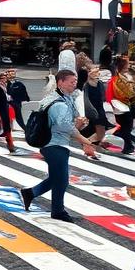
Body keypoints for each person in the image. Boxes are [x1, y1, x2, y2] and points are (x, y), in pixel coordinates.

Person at [19, 70, 97, 222]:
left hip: (53, 142)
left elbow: (67, 124)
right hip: (53, 144)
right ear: (60, 82)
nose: (74, 84)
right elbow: (65, 127)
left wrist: (78, 124)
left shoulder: (60, 97)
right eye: (71, 81)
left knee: (57, 178)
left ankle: (30, 194)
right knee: (61, 180)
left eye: (75, 81)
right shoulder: (59, 103)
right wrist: (85, 141)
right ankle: (57, 210)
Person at [107, 55, 135, 157]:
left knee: (127, 127)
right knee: (126, 127)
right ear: (123, 65)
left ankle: (119, 138)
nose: (130, 64)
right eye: (127, 63)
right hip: (120, 107)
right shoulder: (116, 79)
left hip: (128, 106)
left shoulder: (128, 76)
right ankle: (128, 147)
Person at [6, 69, 30, 133]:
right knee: (16, 117)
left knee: (14, 117)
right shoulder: (18, 83)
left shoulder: (8, 83)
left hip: (11, 103)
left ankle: (25, 129)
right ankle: (12, 128)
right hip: (15, 102)